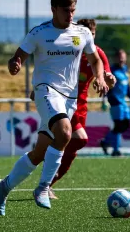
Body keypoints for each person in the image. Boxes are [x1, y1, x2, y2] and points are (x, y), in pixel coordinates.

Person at [0, 0, 109, 216]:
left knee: (39, 153)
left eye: (73, 10)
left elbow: (95, 59)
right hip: (45, 91)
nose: (70, 15)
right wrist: (14, 64)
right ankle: (43, 188)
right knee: (65, 133)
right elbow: (18, 57)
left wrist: (100, 76)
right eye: (66, 10)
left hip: (69, 98)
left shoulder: (82, 33)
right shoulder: (39, 33)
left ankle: (3, 186)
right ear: (54, 9)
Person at [47, 18, 116, 199]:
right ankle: (47, 174)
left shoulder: (97, 54)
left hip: (81, 106)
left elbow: (107, 75)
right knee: (80, 139)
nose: (89, 39)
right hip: (63, 101)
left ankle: (48, 181)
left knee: (73, 147)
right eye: (87, 35)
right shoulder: (69, 50)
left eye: (92, 35)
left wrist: (108, 80)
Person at [101, 49, 130, 157]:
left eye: (123, 57)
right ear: (116, 58)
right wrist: (105, 99)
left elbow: (127, 86)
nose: (122, 59)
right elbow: (106, 85)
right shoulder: (111, 70)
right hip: (115, 101)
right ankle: (116, 150)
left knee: (125, 124)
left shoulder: (125, 69)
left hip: (123, 103)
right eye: (120, 57)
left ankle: (106, 141)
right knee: (118, 125)